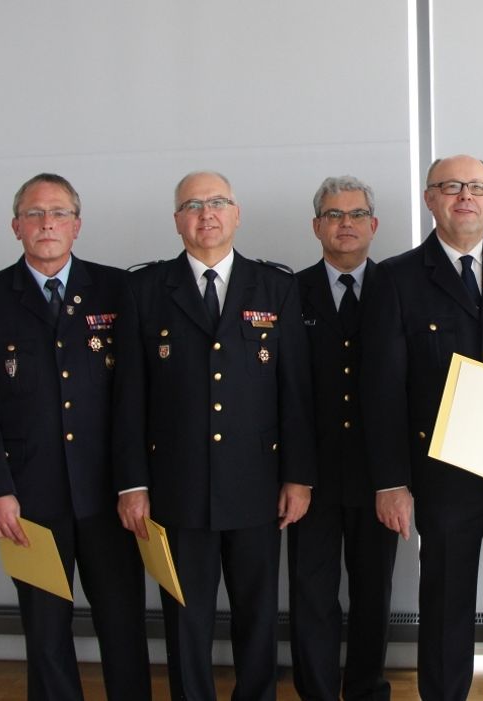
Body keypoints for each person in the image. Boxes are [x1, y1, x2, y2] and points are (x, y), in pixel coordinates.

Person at [112, 170, 316, 700]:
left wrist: (299, 477)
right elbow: (129, 397)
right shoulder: (144, 289)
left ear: (237, 213)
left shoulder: (277, 287)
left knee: (258, 616)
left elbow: (295, 393)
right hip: (177, 490)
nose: (207, 213)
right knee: (186, 621)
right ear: (177, 219)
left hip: (256, 487)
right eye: (194, 204)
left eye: (218, 202)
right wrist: (132, 483)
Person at [360, 154, 483, 701]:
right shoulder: (396, 277)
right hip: (441, 475)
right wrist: (391, 482)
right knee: (446, 604)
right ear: (429, 198)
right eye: (450, 186)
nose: (465, 196)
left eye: (477, 187)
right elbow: (383, 390)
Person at [0, 173, 150, 700]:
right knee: (45, 633)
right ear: (16, 226)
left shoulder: (117, 289)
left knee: (124, 626)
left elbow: (135, 397)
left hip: (109, 495)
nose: (48, 224)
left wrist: (135, 483)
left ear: (77, 225)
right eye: (36, 214)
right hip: (29, 502)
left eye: (60, 213)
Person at [289, 175, 398, 700]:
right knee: (311, 594)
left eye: (356, 215)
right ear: (317, 226)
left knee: (373, 593)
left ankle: (365, 690)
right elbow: (281, 391)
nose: (346, 224)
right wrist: (294, 473)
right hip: (310, 476)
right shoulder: (288, 292)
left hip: (380, 476)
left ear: (373, 225)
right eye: (334, 215)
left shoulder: (397, 288)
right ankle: (316, 691)